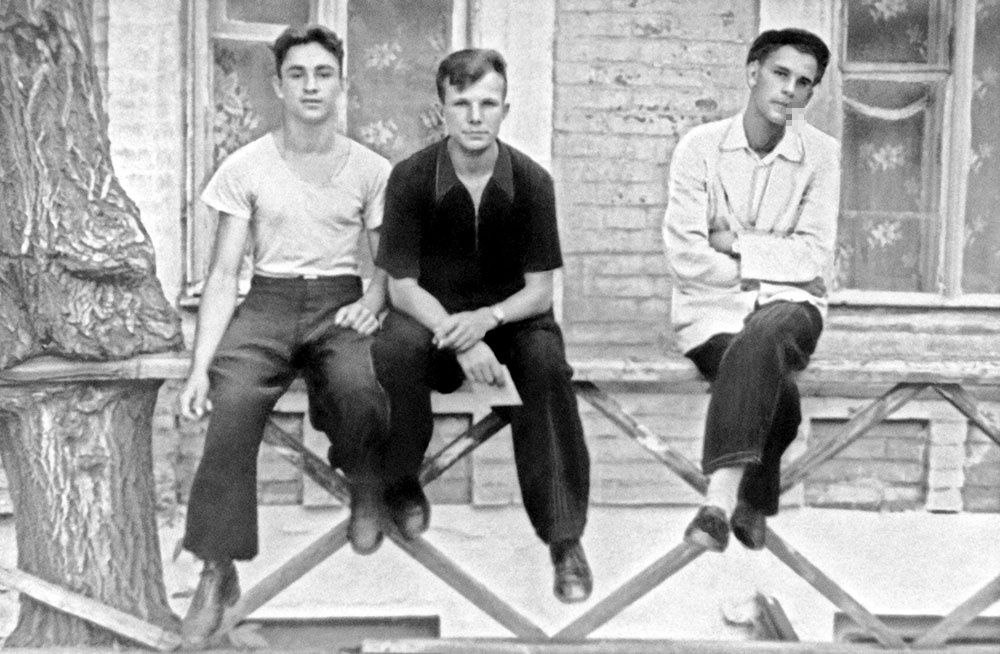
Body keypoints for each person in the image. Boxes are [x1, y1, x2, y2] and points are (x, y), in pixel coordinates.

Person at [176, 24, 391, 647]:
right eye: (297, 75)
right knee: (233, 399)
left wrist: (371, 302)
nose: (310, 87)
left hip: (338, 301)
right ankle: (217, 567)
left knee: (359, 385)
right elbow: (223, 275)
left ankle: (365, 484)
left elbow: (388, 265)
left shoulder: (370, 169)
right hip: (268, 301)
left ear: (341, 84)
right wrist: (199, 368)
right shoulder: (247, 166)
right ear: (278, 86)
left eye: (323, 74)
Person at [372, 49, 593, 603]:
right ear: (441, 111)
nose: (475, 117)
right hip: (431, 320)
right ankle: (402, 482)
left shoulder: (532, 182)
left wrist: (487, 320)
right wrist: (461, 337)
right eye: (462, 104)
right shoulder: (410, 178)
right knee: (394, 349)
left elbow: (539, 291)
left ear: (505, 110)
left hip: (511, 319)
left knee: (546, 362)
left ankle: (564, 537)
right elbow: (401, 288)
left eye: (488, 104)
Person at [663, 28, 840, 553]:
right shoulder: (700, 149)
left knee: (767, 332)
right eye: (780, 74)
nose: (790, 89)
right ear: (752, 72)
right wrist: (771, 267)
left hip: (795, 308)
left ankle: (716, 503)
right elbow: (686, 257)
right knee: (778, 390)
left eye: (804, 82)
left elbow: (814, 258)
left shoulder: (821, 155)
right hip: (710, 312)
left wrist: (735, 244)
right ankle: (755, 499)